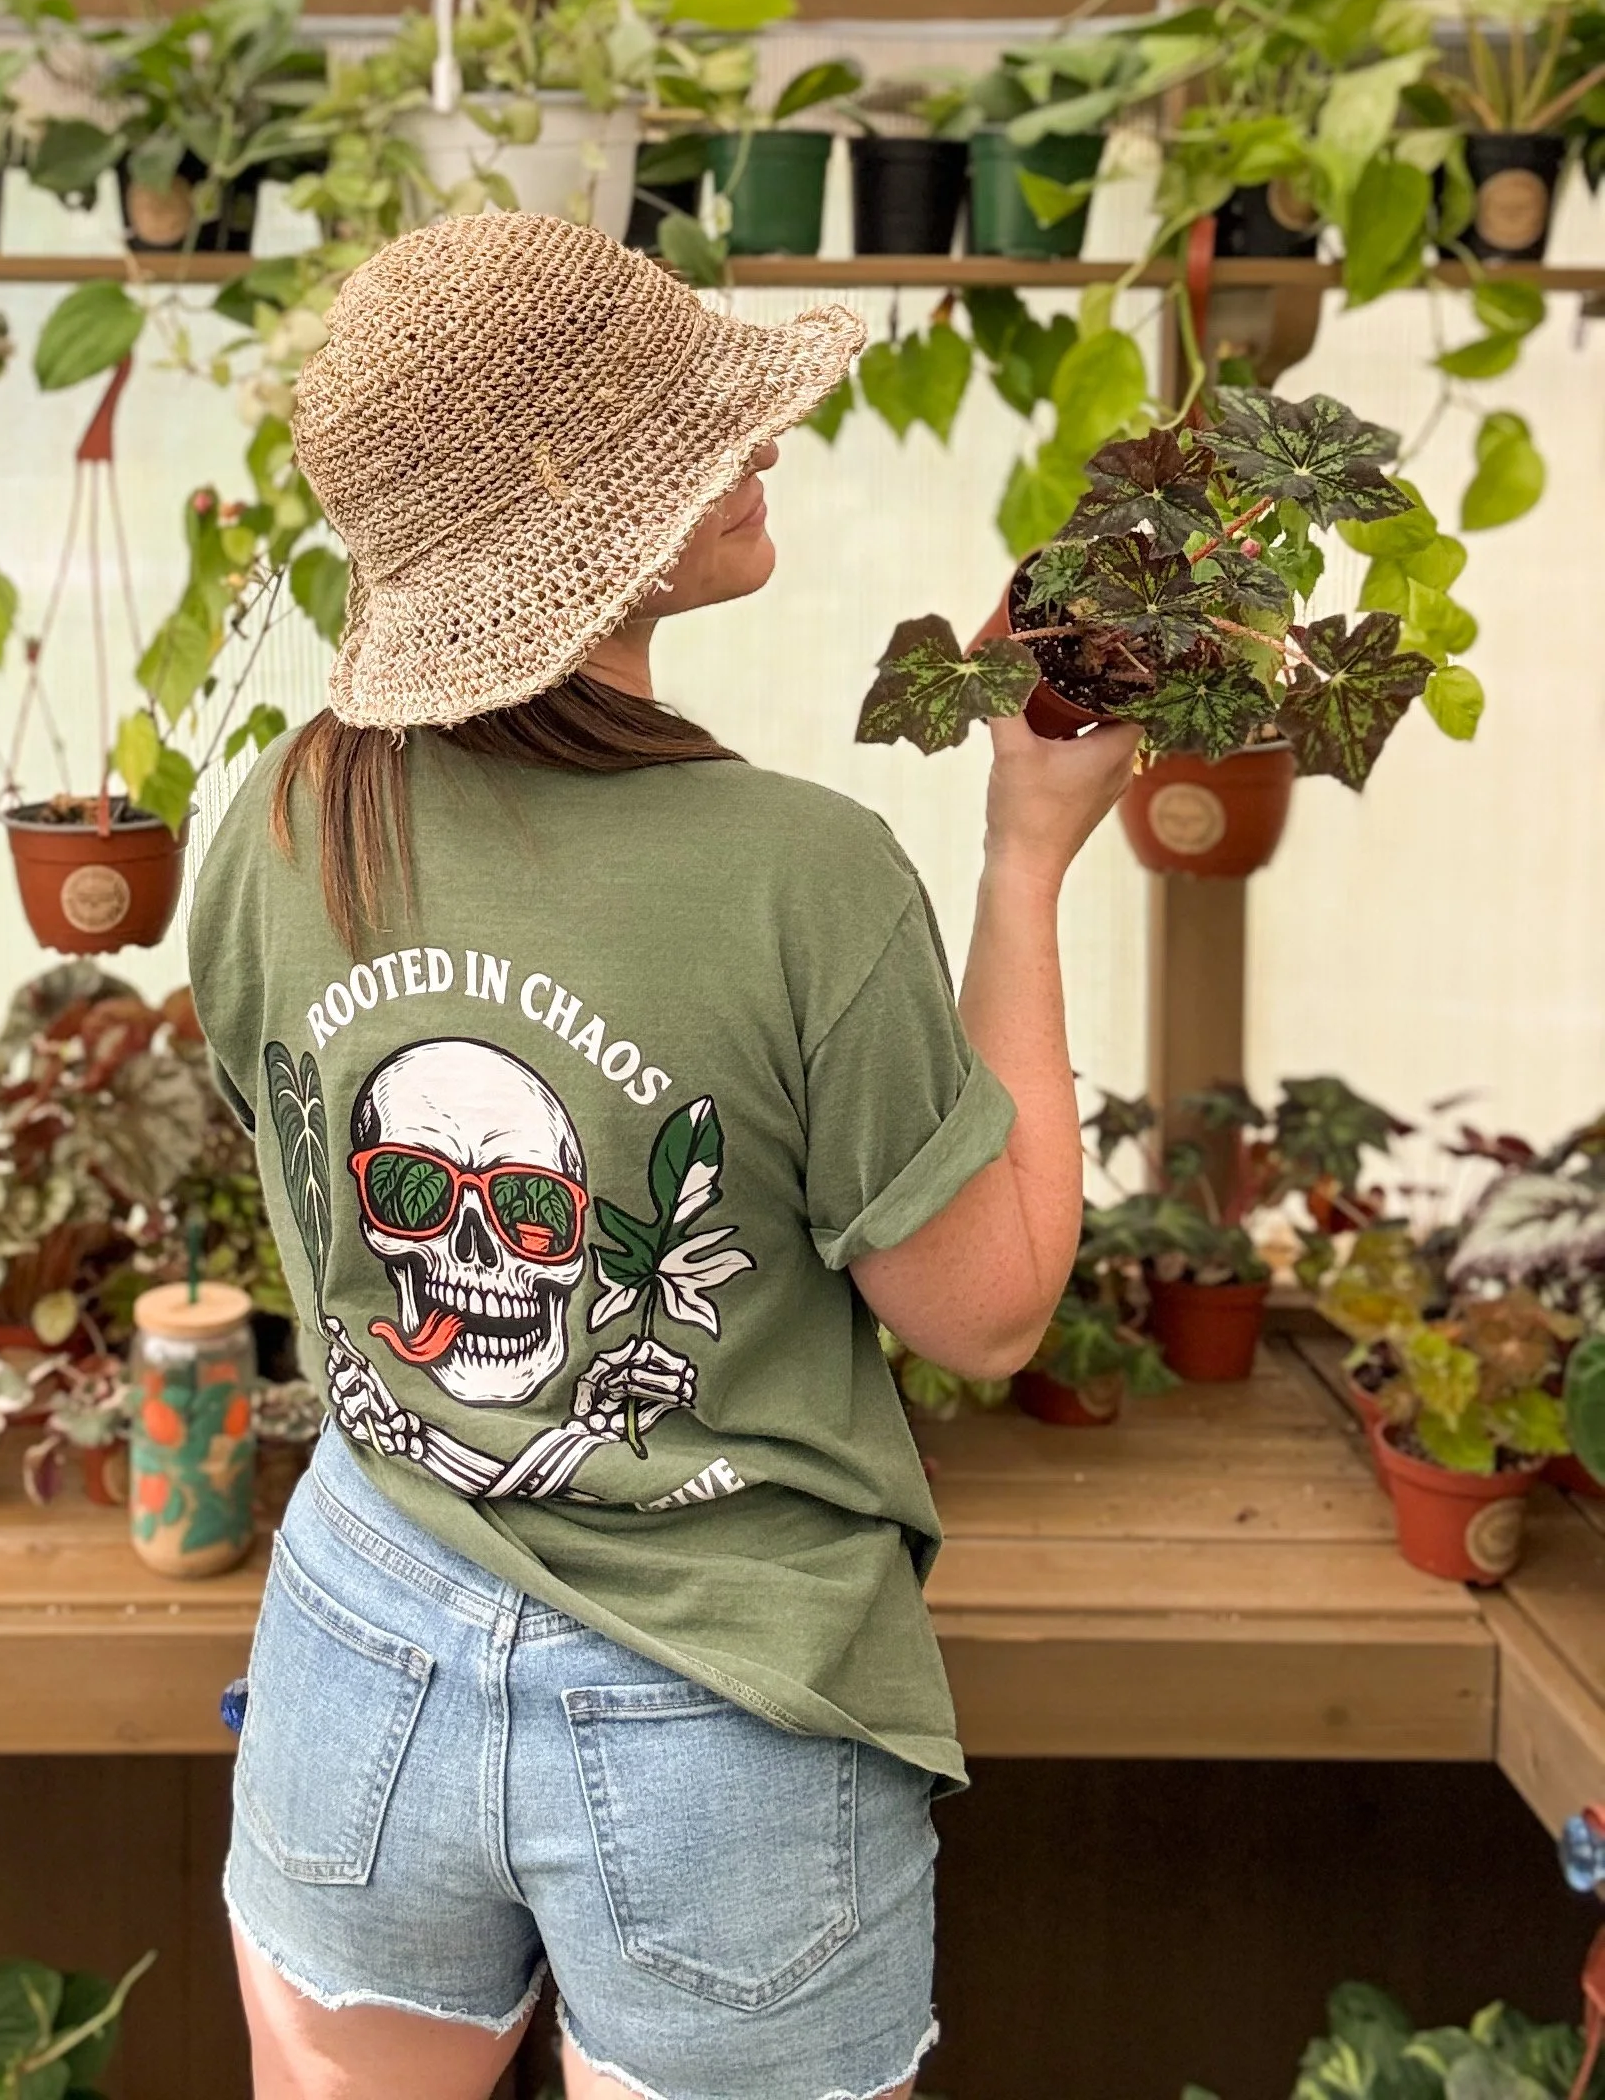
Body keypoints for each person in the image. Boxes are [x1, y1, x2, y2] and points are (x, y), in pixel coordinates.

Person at [188, 211, 1136, 2100]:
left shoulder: (285, 818)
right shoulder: (801, 874)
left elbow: (304, 1160)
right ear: (581, 514)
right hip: (719, 1708)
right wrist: (1028, 855)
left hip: (359, 1637)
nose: (763, 437)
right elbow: (986, 1314)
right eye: (697, 425)